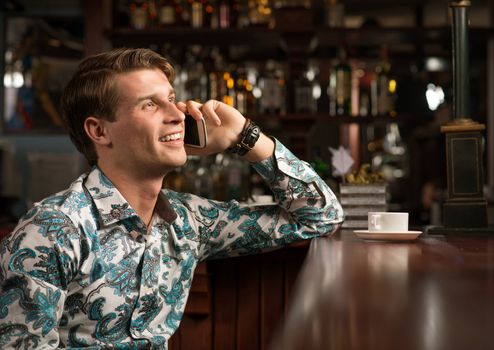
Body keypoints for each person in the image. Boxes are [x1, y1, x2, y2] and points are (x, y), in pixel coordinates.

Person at [0, 48, 343, 349]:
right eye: (150, 104)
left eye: (171, 98)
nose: (178, 114)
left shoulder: (188, 220)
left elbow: (319, 215)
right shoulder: (53, 229)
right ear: (99, 131)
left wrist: (245, 137)